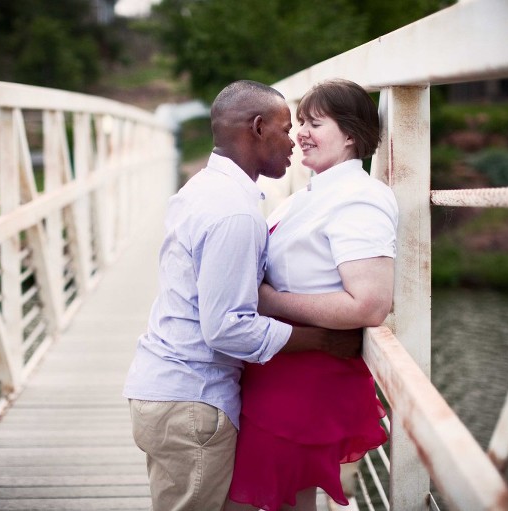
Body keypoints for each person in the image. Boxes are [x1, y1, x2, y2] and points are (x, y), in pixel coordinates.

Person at [122, 80, 363, 511]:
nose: (293, 141)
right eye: (286, 128)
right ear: (257, 128)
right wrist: (323, 341)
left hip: (167, 390)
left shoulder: (201, 188)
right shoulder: (234, 212)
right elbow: (226, 328)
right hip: (192, 401)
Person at [227, 78, 398, 511]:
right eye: (299, 121)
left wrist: (267, 301)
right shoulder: (310, 194)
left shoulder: (359, 199)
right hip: (278, 369)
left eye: (315, 122)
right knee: (282, 499)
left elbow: (371, 304)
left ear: (351, 136)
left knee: (266, 498)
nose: (299, 131)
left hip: (305, 381)